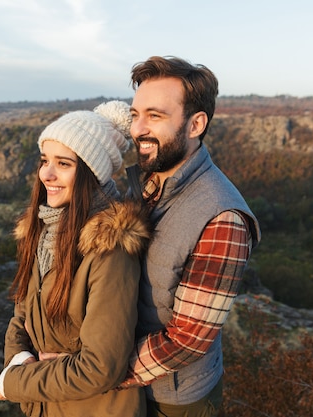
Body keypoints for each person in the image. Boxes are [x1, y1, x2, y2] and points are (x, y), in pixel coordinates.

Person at [120, 56, 262, 416]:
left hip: (175, 399)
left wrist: (98, 371)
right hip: (130, 384)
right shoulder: (150, 180)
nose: (138, 129)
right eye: (135, 115)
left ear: (196, 123)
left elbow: (187, 341)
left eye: (155, 116)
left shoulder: (222, 217)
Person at [0, 100, 150, 417]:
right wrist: (19, 359)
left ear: (91, 174)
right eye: (44, 160)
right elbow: (21, 316)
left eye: (64, 164)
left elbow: (101, 366)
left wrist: (16, 383)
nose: (46, 174)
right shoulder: (42, 230)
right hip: (47, 404)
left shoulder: (110, 250)